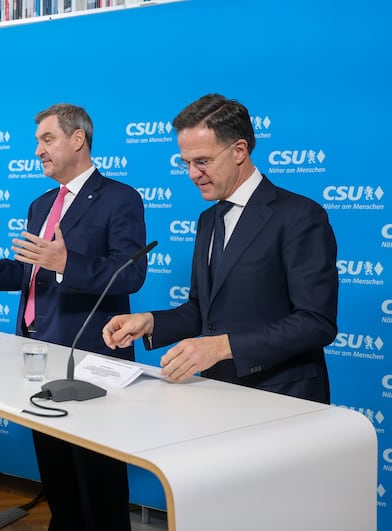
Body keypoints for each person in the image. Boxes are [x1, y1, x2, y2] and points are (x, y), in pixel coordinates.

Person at [0, 103, 147, 531]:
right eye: (37, 141)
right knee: (57, 473)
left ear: (78, 139)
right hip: (36, 353)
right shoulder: (41, 205)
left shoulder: (119, 198)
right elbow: (30, 274)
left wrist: (66, 262)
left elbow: (130, 273)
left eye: (47, 139)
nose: (37, 149)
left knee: (98, 477)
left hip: (92, 356)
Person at [103, 93, 338, 404]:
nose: (191, 174)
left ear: (239, 150)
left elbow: (316, 322)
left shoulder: (299, 215)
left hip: (282, 397)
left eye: (202, 161)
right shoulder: (208, 219)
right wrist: (150, 322)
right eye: (185, 162)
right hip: (217, 392)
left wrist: (222, 347)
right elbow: (204, 311)